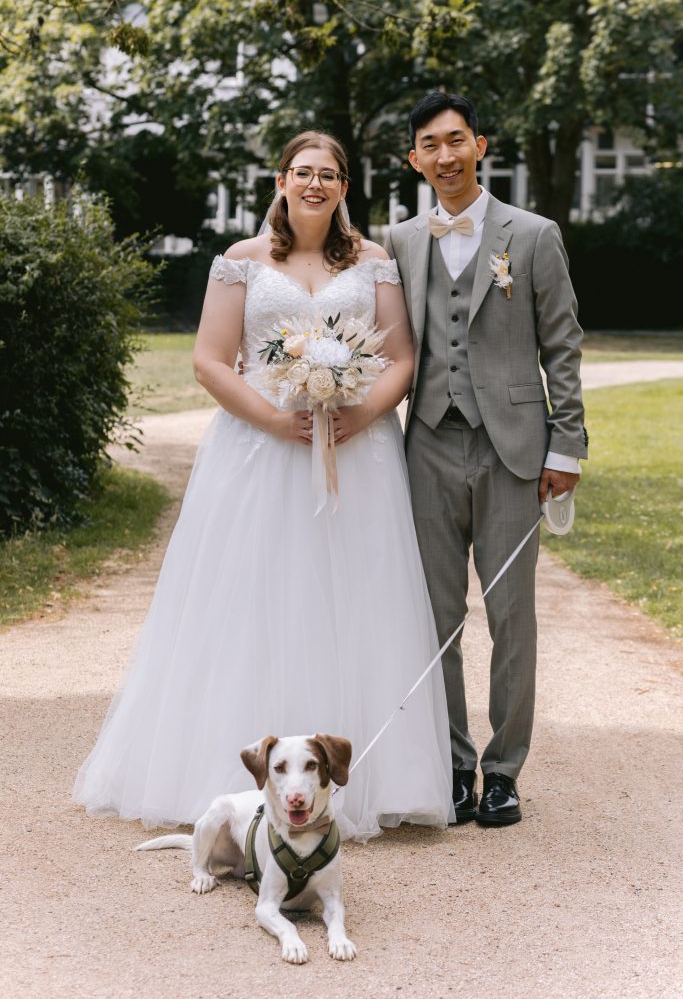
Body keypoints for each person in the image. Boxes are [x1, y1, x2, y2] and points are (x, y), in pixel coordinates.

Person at [73, 131, 453, 842]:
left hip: (357, 454)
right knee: (249, 597)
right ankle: (225, 778)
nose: (315, 184)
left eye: (329, 175)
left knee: (358, 596)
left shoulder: (374, 263)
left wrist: (358, 415)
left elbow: (400, 358)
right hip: (256, 453)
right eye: (303, 172)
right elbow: (211, 362)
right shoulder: (242, 263)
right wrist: (278, 421)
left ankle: (376, 779)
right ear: (279, 179)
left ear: (345, 187)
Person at [385, 92, 587, 826]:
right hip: (426, 447)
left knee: (511, 618)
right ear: (414, 159)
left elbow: (561, 344)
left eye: (456, 141)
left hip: (513, 452)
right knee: (433, 618)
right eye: (429, 146)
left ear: (480, 145)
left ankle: (503, 772)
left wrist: (566, 444)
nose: (444, 156)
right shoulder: (400, 241)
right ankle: (450, 765)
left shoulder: (531, 235)